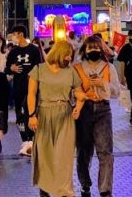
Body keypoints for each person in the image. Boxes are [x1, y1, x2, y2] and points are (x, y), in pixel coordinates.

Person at [28, 40, 84, 197]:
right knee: (45, 156)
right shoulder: (39, 69)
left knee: (63, 156)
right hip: (44, 114)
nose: (69, 58)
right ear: (59, 53)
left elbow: (79, 92)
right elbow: (31, 94)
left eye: (70, 55)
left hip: (65, 115)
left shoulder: (70, 72)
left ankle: (64, 192)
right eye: (67, 55)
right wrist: (32, 115)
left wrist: (79, 105)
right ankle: (45, 189)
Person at [75, 36, 120, 197]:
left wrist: (102, 84)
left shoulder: (109, 67)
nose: (93, 50)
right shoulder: (77, 68)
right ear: (84, 50)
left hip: (103, 110)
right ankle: (85, 185)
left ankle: (105, 190)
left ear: (101, 50)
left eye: (96, 47)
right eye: (90, 47)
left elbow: (117, 92)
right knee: (83, 151)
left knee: (105, 151)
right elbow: (71, 90)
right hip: (83, 111)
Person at [6, 24, 44, 156]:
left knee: (30, 113)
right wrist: (11, 68)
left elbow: (40, 67)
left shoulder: (34, 50)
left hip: (32, 88)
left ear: (20, 34)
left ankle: (32, 140)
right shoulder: (13, 52)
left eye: (14, 35)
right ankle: (25, 141)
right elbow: (7, 68)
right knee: (19, 115)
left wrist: (34, 77)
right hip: (18, 87)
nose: (13, 37)